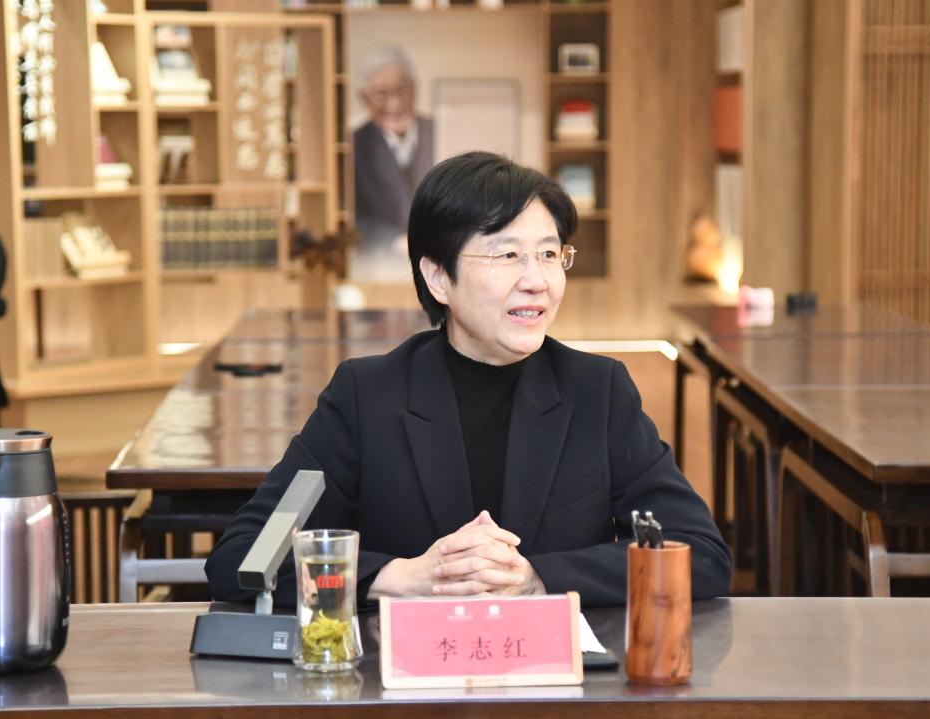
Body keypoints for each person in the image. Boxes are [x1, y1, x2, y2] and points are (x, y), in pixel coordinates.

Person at [205, 152, 731, 607]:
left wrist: (538, 577)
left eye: (549, 254)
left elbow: (700, 554)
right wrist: (402, 578)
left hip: (556, 678)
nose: (537, 280)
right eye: (508, 255)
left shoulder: (597, 390)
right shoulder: (368, 396)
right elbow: (243, 556)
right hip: (405, 678)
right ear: (439, 277)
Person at [351, 46, 434, 280]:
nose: (394, 103)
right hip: (379, 268)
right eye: (381, 94)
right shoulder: (353, 146)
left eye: (401, 90)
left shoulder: (439, 131)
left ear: (415, 88)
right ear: (364, 98)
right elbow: (351, 217)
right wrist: (393, 242)